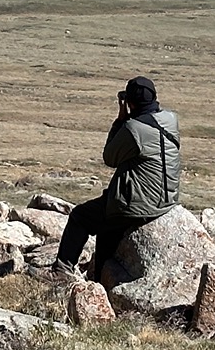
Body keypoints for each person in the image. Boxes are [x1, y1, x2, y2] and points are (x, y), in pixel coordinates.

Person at [55, 75, 181, 282]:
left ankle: (62, 271)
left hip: (141, 205)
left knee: (80, 216)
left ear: (130, 103)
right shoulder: (171, 119)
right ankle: (101, 282)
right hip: (167, 198)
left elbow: (110, 157)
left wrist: (121, 120)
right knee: (107, 229)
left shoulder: (133, 129)